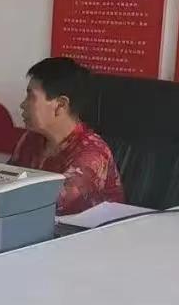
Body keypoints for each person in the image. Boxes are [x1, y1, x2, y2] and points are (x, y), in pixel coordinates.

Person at [10, 57, 124, 215]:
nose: (23, 104)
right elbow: (4, 183)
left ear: (60, 105)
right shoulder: (31, 139)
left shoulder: (93, 154)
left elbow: (53, 203)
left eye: (31, 96)